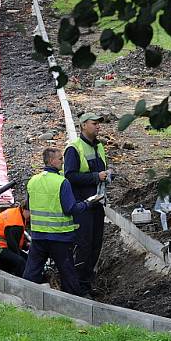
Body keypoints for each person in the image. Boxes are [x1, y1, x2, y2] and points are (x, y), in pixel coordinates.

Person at [23, 147, 97, 296]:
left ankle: (24, 297)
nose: (63, 162)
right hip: (59, 237)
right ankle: (75, 304)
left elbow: (29, 206)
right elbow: (71, 208)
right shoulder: (62, 182)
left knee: (31, 272)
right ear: (51, 161)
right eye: (60, 159)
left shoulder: (33, 181)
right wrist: (87, 204)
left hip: (38, 236)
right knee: (68, 275)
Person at [64, 112, 108, 295]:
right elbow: (70, 176)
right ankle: (78, 286)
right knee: (84, 246)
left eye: (99, 123)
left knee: (96, 245)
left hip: (97, 204)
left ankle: (86, 282)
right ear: (83, 125)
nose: (98, 126)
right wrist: (95, 177)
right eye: (94, 123)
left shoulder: (99, 146)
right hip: (83, 206)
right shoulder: (74, 148)